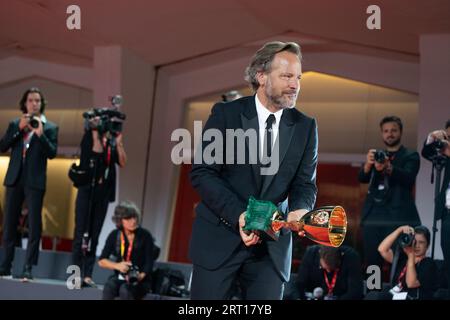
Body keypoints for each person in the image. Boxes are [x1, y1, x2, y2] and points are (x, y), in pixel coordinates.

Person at [189, 41, 318, 299]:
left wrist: (301, 210)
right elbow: (203, 172)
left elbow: (305, 184)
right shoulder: (226, 114)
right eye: (286, 76)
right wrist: (240, 216)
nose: (295, 85)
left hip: (271, 251)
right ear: (261, 76)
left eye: (298, 77)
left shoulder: (306, 127)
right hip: (219, 239)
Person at [0, 87, 58, 280]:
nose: (34, 103)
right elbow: (3, 146)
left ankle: (28, 268)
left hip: (35, 181)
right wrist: (18, 129)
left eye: (38, 101)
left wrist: (40, 135)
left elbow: (52, 153)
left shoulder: (50, 128)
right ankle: (5, 265)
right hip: (15, 178)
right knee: (8, 225)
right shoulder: (15, 123)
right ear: (24, 103)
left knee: (34, 226)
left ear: (42, 104)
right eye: (31, 100)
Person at [71, 113, 127, 288]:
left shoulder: (111, 142)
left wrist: (118, 144)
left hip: (103, 194)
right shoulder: (89, 137)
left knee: (95, 235)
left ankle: (87, 275)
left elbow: (123, 162)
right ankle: (75, 273)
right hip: (87, 191)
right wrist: (95, 132)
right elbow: (95, 152)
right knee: (81, 235)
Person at [359, 116, 421, 270]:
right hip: (373, 217)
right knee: (373, 262)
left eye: (394, 130)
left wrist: (388, 167)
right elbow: (362, 178)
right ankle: (373, 292)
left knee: (399, 258)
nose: (390, 134)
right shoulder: (377, 156)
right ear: (382, 134)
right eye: (386, 131)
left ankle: (399, 292)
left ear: (400, 132)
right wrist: (368, 164)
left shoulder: (410, 155)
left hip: (398, 217)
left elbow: (408, 178)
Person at [98, 201, 155, 300]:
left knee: (125, 290)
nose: (133, 221)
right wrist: (117, 266)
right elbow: (102, 261)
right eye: (128, 218)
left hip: (141, 280)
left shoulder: (145, 236)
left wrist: (139, 276)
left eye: (135, 217)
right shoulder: (114, 235)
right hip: (121, 277)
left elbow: (149, 263)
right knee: (109, 286)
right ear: (120, 220)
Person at [366, 225, 438, 300]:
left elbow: (411, 283)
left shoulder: (429, 264)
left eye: (421, 242)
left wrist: (411, 255)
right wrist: (399, 230)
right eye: (414, 241)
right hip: (395, 295)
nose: (417, 245)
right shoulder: (403, 259)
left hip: (411, 298)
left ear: (427, 245)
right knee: (372, 295)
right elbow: (382, 249)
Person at [421, 119, 450, 297]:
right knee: (448, 259)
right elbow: (427, 153)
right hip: (447, 214)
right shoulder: (446, 157)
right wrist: (432, 137)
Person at [294, 245, 363, 300]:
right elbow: (299, 285)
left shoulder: (351, 257)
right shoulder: (311, 254)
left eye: (332, 269)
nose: (328, 271)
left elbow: (355, 292)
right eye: (324, 268)